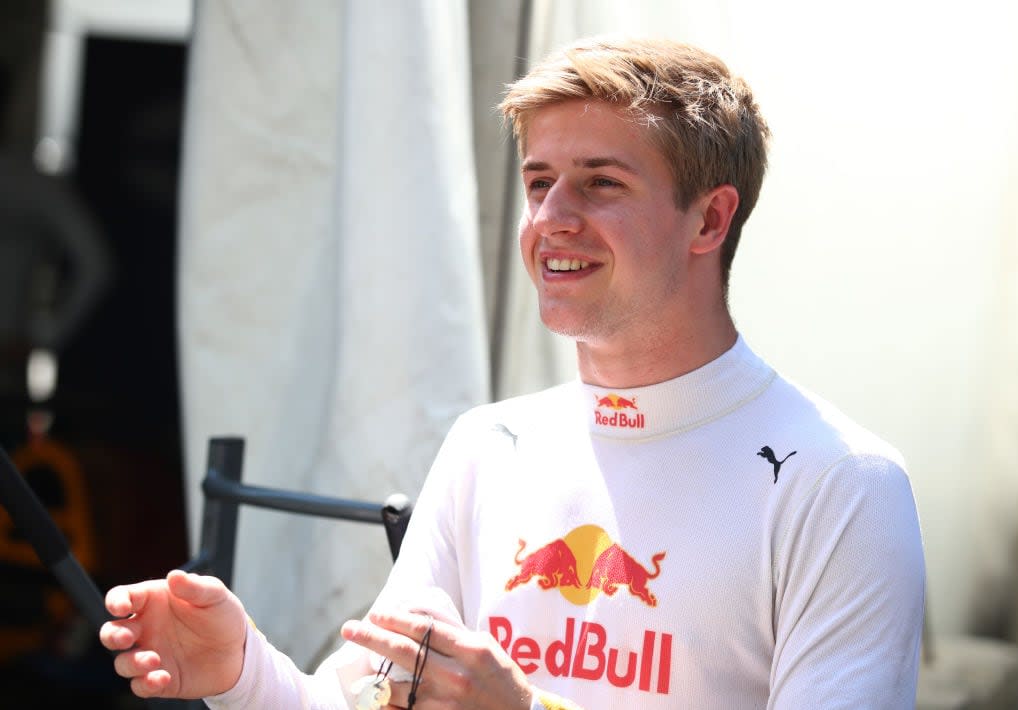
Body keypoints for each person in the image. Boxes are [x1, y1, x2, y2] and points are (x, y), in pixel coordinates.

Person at [100, 36, 926, 709]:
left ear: (709, 218)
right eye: (539, 182)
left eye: (601, 183)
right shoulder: (490, 443)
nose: (551, 220)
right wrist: (245, 674)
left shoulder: (843, 482)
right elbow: (362, 703)